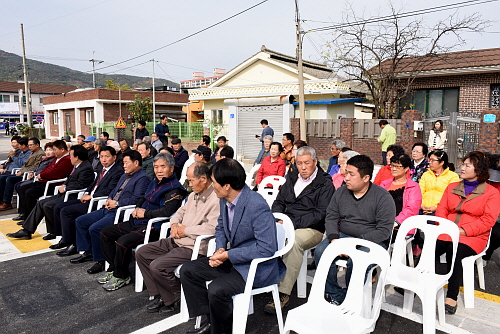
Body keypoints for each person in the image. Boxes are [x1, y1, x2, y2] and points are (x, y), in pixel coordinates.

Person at [180, 158, 284, 334]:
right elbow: (221, 226)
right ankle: (211, 321)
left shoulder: (256, 205)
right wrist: (220, 248)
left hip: (255, 267)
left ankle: (221, 330)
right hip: (233, 258)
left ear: (227, 185)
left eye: (214, 182)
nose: (212, 186)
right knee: (188, 270)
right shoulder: (224, 198)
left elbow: (267, 247)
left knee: (217, 289)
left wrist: (228, 255)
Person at [136, 162, 219, 313]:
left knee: (157, 266)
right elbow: (178, 213)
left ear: (203, 179)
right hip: (176, 238)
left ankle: (175, 297)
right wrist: (174, 225)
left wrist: (186, 230)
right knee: (142, 252)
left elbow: (211, 228)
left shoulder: (216, 198)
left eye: (191, 180)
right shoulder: (194, 194)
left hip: (193, 246)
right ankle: (159, 294)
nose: (189, 184)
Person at [98, 152, 187, 291]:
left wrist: (145, 213)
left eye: (162, 167)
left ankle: (122, 276)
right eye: (156, 167)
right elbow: (143, 197)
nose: (158, 170)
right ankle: (115, 267)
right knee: (105, 233)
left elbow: (166, 212)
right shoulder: (154, 182)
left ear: (171, 167)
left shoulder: (174, 188)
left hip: (153, 227)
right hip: (138, 221)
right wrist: (138, 207)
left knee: (123, 242)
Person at [314, 155, 395, 305]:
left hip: (371, 240)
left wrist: (354, 246)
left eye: (351, 174)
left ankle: (352, 296)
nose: (346, 178)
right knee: (320, 251)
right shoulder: (341, 192)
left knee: (356, 261)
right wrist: (334, 240)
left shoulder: (383, 197)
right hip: (343, 236)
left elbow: (384, 230)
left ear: (366, 178)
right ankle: (335, 293)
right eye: (346, 173)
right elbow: (331, 217)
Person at [264, 146, 335, 314]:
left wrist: (290, 223)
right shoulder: (292, 176)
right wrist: (277, 217)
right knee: (262, 233)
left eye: (307, 163)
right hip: (285, 221)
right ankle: (262, 279)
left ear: (315, 162)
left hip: (312, 229)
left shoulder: (324, 183)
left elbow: (320, 214)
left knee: (293, 242)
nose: (303, 167)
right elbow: (279, 201)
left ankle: (283, 292)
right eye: (299, 163)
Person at [436, 151, 500, 314]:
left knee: (454, 251)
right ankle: (419, 281)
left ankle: (452, 296)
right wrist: (444, 226)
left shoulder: (492, 193)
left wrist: (463, 231)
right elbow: (442, 209)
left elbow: (488, 221)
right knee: (430, 247)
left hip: (473, 236)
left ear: (478, 169)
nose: (462, 168)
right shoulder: (452, 187)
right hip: (447, 229)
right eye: (462, 164)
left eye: (467, 165)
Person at [72, 150, 150, 274]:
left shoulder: (143, 178)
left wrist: (117, 204)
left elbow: (136, 199)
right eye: (123, 163)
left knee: (95, 228)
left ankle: (100, 260)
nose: (123, 166)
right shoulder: (124, 175)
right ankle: (88, 251)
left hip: (120, 211)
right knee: (81, 221)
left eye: (126, 163)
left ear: (136, 163)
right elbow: (114, 190)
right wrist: (109, 199)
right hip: (109, 207)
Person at [7, 145, 95, 240]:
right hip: (65, 193)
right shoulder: (78, 166)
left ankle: (53, 231)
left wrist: (65, 188)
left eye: (71, 155)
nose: (70, 157)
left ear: (77, 157)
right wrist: (64, 186)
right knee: (41, 203)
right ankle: (27, 231)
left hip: (72, 195)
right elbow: (69, 179)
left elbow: (81, 184)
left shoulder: (86, 168)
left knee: (48, 205)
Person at [50, 146, 124, 254]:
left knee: (67, 212)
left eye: (107, 157)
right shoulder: (101, 169)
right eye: (101, 156)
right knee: (59, 207)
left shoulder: (117, 171)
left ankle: (73, 243)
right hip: (90, 198)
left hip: (98, 202)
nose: (103, 159)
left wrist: (92, 196)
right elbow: (93, 184)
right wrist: (87, 193)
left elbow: (110, 189)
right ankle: (66, 239)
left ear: (114, 157)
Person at [14, 140, 73, 222]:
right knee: (22, 187)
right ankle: (24, 214)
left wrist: (41, 175)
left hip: (52, 184)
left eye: (54, 150)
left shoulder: (66, 159)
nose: (54, 152)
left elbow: (55, 173)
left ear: (62, 150)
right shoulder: (57, 158)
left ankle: (28, 218)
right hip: (44, 180)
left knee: (29, 192)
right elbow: (48, 168)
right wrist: (40, 174)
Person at [380, 154, 422, 241]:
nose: (394, 169)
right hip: (381, 222)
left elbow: (411, 209)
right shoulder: (384, 184)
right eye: (392, 165)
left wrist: (395, 222)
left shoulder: (413, 187)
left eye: (398, 166)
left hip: (400, 225)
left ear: (406, 168)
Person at [0, 137, 44, 211]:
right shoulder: (33, 152)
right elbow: (26, 165)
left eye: (31, 145)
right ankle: (1, 200)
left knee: (10, 179)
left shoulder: (40, 154)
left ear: (37, 145)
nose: (29, 147)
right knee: (2, 178)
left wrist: (22, 171)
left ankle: (7, 202)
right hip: (21, 172)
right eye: (28, 145)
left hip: (27, 175)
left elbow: (35, 166)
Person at [420, 150, 459, 215]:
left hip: (441, 209)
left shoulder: (453, 176)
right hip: (423, 208)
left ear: (441, 163)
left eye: (433, 160)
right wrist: (421, 205)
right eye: (429, 160)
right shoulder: (426, 174)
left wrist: (436, 207)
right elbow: (420, 191)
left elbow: (451, 196)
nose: (430, 162)